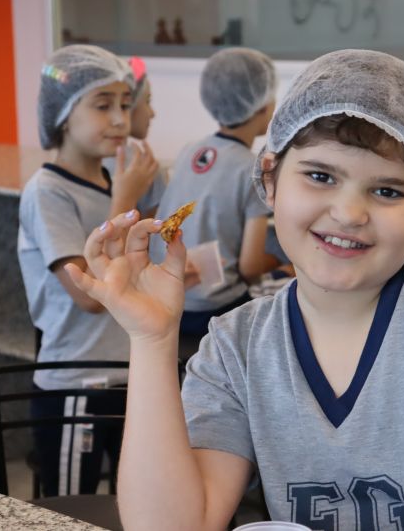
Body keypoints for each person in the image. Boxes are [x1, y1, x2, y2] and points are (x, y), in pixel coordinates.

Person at [67, 49, 404, 530]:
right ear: (270, 179)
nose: (349, 213)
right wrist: (152, 341)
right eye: (320, 176)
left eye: (388, 191)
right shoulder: (236, 348)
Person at [17, 44, 191, 496]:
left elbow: (134, 268)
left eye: (125, 104)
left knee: (133, 501)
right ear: (62, 115)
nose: (119, 119)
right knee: (71, 510)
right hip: (77, 383)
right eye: (102, 105)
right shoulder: (48, 191)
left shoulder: (115, 180)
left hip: (127, 373)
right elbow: (90, 295)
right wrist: (126, 200)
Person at [149, 47, 279, 338]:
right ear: (262, 105)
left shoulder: (189, 151)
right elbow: (250, 269)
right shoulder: (253, 168)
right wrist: (280, 264)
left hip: (168, 298)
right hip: (215, 310)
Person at [103, 56, 166, 220]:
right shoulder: (145, 167)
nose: (152, 113)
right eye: (147, 101)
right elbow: (156, 231)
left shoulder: (91, 161)